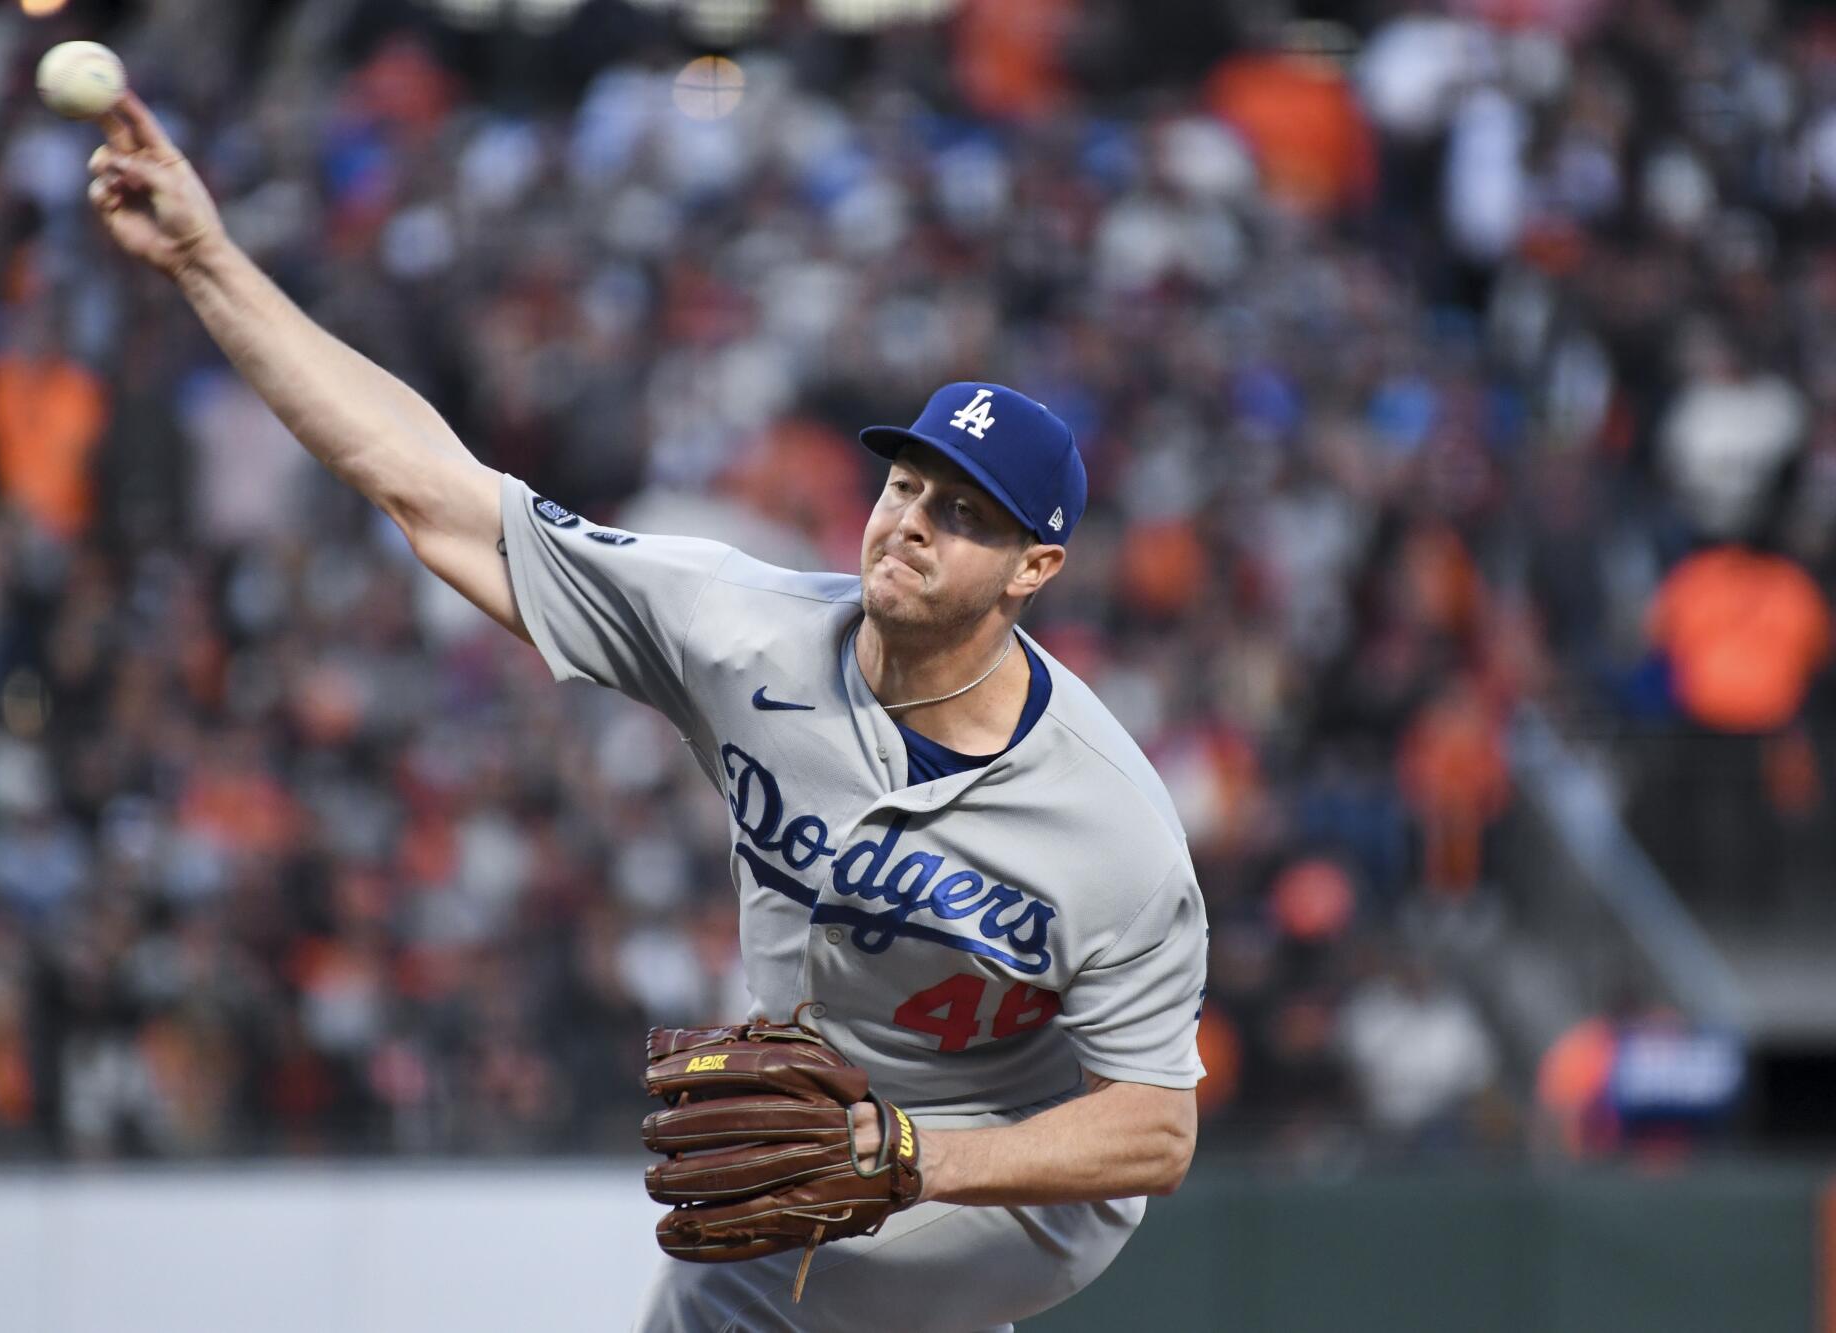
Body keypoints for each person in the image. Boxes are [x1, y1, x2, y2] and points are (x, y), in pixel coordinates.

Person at [86, 92, 1207, 1333]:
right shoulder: (740, 627)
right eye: (905, 484)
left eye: (964, 515)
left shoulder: (1110, 821)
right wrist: (206, 257)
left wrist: (909, 1153)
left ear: (1032, 570)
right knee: (751, 1247)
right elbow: (437, 493)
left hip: (1008, 1200)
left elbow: (1153, 1127)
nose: (910, 523)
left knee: (791, 1253)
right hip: (804, 1175)